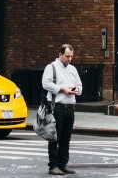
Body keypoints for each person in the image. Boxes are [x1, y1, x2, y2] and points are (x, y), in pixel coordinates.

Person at [42, 43, 83, 176]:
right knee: (54, 138)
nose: (69, 59)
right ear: (60, 54)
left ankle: (63, 164)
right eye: (67, 56)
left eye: (71, 56)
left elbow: (80, 86)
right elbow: (46, 83)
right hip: (56, 107)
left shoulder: (73, 69)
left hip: (70, 107)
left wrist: (76, 90)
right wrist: (61, 89)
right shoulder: (51, 67)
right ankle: (53, 166)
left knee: (66, 138)